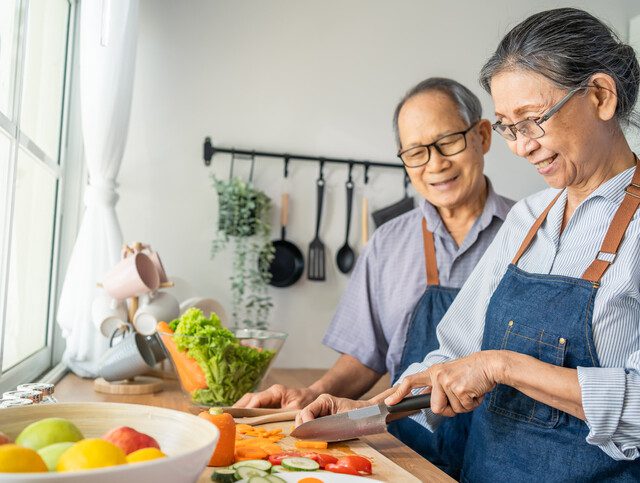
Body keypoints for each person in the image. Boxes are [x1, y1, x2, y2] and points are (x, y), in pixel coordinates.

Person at [297, 8, 640, 482]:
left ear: (600, 95)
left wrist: (503, 366)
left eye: (532, 119)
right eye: (508, 126)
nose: (521, 146)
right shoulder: (526, 221)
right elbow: (453, 357)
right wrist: (366, 409)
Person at [235, 77, 514, 477]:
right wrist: (314, 394)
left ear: (483, 136)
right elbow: (366, 354)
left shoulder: (532, 235)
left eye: (449, 141)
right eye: (416, 152)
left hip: (501, 456)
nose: (435, 164)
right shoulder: (388, 242)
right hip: (403, 451)